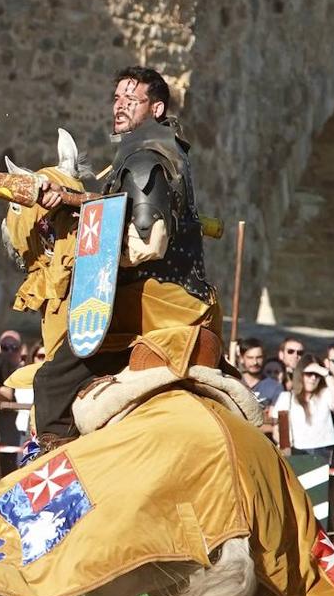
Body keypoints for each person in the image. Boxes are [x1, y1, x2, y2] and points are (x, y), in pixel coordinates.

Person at [33, 66, 220, 451]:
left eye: (131, 100)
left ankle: (56, 467)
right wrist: (72, 204)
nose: (119, 106)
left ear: (156, 108)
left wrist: (86, 258)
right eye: (117, 98)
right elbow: (117, 210)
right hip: (182, 293)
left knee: (51, 380)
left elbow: (148, 244)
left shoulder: (144, 160)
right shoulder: (161, 152)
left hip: (151, 299)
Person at [273, 355, 334, 461]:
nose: (313, 378)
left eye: (317, 375)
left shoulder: (325, 394)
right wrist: (285, 448)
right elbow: (277, 429)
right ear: (300, 374)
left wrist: (326, 373)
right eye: (309, 374)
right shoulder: (286, 397)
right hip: (297, 450)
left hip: (324, 450)